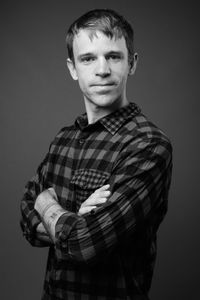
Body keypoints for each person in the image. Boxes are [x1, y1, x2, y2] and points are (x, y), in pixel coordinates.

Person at [20, 8, 173, 300]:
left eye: (113, 56)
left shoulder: (149, 145)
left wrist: (46, 204)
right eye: (88, 58)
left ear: (132, 63)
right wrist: (74, 219)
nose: (102, 69)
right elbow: (25, 221)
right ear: (72, 68)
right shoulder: (63, 139)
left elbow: (84, 244)